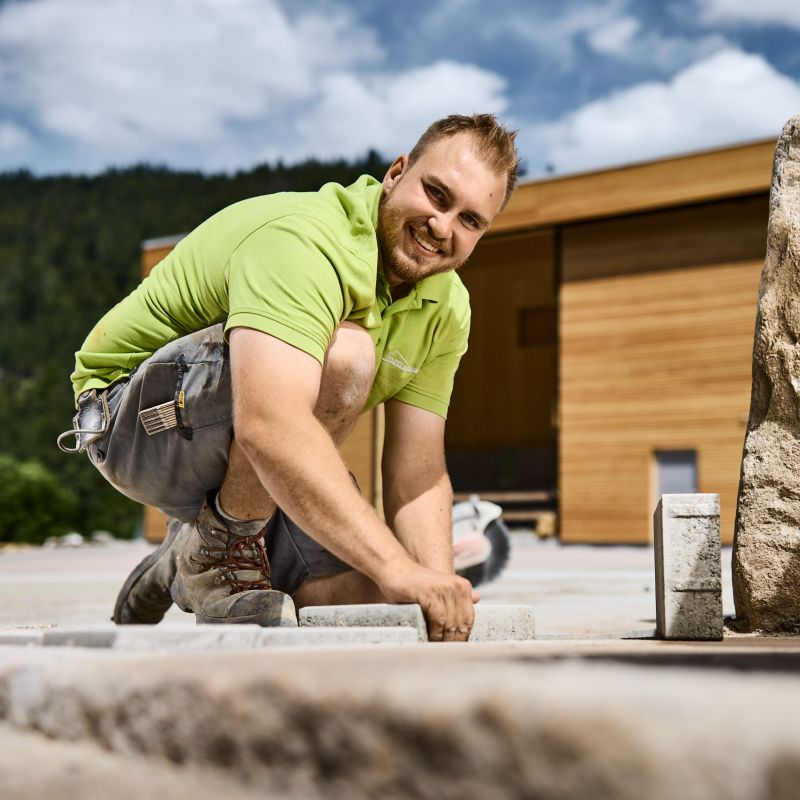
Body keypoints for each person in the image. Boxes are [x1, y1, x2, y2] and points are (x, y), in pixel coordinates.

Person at [58, 114, 520, 642]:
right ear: (396, 173)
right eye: (437, 195)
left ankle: (191, 552)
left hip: (245, 449)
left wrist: (436, 588)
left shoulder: (447, 307)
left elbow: (417, 471)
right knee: (347, 355)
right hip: (127, 419)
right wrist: (400, 565)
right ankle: (218, 551)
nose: (443, 227)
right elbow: (269, 425)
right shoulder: (308, 241)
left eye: (470, 221)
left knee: (374, 596)